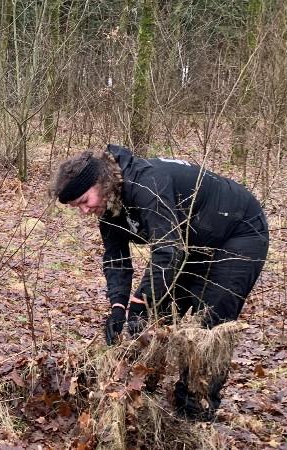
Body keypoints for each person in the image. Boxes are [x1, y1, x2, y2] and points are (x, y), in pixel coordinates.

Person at [51, 144, 269, 421]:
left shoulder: (147, 183)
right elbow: (115, 256)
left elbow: (168, 249)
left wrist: (140, 301)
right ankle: (141, 392)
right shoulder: (110, 201)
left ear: (100, 182)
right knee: (158, 315)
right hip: (192, 241)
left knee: (210, 325)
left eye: (84, 201)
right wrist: (118, 306)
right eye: (76, 207)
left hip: (238, 232)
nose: (84, 211)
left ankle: (195, 412)